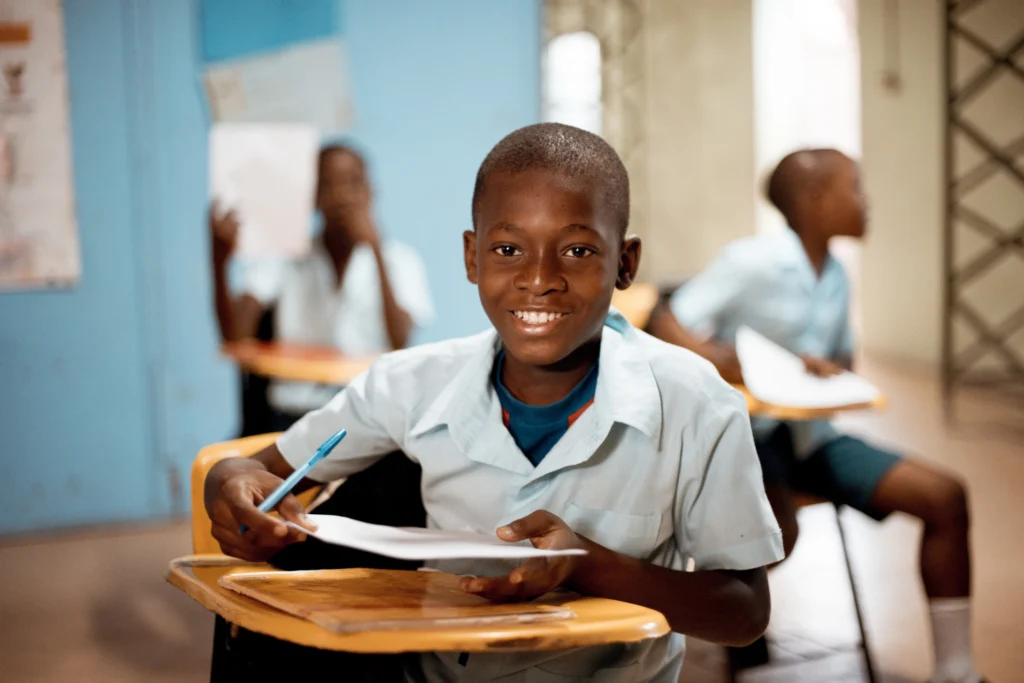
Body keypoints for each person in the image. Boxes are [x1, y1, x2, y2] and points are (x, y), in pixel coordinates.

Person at [203, 123, 784, 682]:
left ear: (625, 263)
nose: (540, 278)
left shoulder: (697, 404)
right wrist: (230, 485)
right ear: (472, 257)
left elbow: (744, 613)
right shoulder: (411, 382)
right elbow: (256, 470)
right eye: (508, 248)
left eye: (578, 251)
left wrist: (594, 565)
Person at [649, 149, 984, 683]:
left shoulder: (836, 275)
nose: (865, 201)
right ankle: (738, 631)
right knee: (775, 533)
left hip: (812, 437)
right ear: (813, 201)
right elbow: (667, 320)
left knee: (945, 497)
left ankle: (957, 671)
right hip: (749, 441)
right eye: (854, 187)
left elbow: (842, 359)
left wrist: (824, 369)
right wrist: (726, 361)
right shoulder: (750, 261)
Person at [209, 143, 435, 427]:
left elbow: (400, 339)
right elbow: (236, 338)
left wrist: (376, 249)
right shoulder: (284, 257)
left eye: (352, 183)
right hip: (292, 414)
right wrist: (219, 260)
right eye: (328, 184)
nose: (341, 196)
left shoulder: (400, 261)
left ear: (370, 192)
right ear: (313, 197)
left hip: (368, 415)